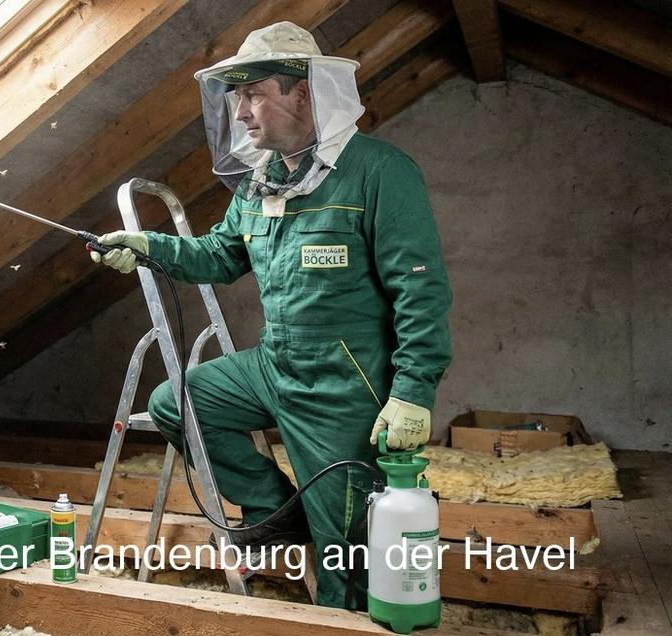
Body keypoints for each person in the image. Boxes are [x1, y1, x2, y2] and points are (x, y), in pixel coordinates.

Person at [90, 21, 451, 609]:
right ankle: (277, 512)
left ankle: (344, 614)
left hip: (346, 380)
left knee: (349, 546)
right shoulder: (261, 184)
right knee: (176, 402)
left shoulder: (379, 173)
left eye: (254, 93)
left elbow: (421, 292)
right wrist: (147, 246)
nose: (242, 112)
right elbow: (219, 254)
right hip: (275, 362)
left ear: (303, 93)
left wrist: (413, 390)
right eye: (235, 97)